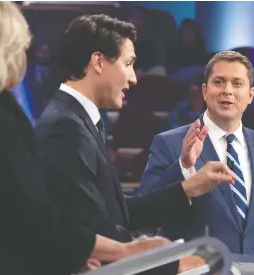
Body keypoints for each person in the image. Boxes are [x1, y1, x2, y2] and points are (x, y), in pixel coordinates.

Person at [0, 3, 172, 275]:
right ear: (1, 53)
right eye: (20, 48)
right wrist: (123, 251)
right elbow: (30, 223)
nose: (23, 59)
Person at [34, 14, 236, 275]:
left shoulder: (78, 120)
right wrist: (171, 264)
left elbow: (116, 214)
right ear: (98, 62)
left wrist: (188, 187)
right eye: (128, 64)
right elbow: (89, 234)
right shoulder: (66, 128)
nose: (133, 78)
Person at [139, 51, 254, 275]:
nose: (227, 90)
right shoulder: (170, 143)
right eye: (219, 82)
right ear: (204, 91)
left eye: (237, 83)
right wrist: (184, 166)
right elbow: (146, 216)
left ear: (250, 95)